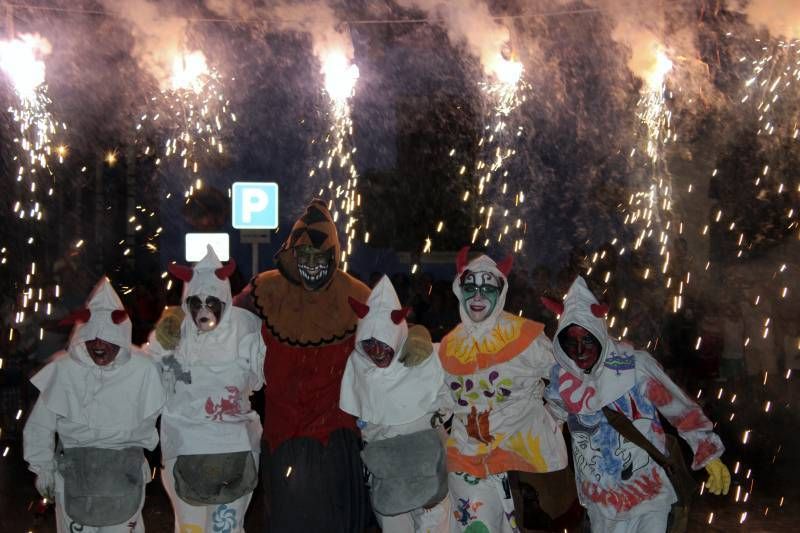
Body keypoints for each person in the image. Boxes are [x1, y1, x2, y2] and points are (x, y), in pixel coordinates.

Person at [231, 199, 433, 532]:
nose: (312, 265)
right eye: (305, 256)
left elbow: (391, 330)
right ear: (293, 256)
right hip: (282, 440)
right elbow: (219, 323)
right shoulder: (263, 292)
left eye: (320, 257)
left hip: (336, 440)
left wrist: (417, 338)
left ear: (334, 257)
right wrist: (180, 321)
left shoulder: (356, 295)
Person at [542, 277, 731, 533]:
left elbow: (679, 409)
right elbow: (547, 422)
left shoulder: (635, 366)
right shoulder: (561, 379)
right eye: (570, 341)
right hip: (602, 505)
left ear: (599, 332)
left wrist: (707, 451)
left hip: (648, 495)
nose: (579, 349)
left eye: (587, 339)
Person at [439, 247, 568, 532]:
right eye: (470, 287)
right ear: (459, 290)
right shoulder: (450, 344)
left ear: (501, 290)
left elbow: (565, 374)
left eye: (487, 288)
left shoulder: (525, 336)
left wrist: (554, 414)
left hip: (514, 460)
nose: (477, 296)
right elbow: (442, 398)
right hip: (466, 461)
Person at [23, 277, 165, 533]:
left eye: (106, 338)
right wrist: (42, 466)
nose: (98, 344)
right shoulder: (64, 369)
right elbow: (40, 425)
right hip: (74, 475)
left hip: (125, 475)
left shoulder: (143, 369)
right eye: (93, 338)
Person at [148, 246, 265, 533]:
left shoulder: (246, 328)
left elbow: (262, 377)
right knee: (191, 529)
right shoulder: (174, 329)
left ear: (224, 298)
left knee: (226, 528)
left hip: (234, 448)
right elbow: (149, 375)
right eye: (196, 302)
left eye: (212, 302)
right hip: (184, 449)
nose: (204, 310)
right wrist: (158, 343)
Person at [340, 276, 451, 533]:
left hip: (429, 471)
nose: (376, 351)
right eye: (369, 343)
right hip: (388, 477)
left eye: (384, 343)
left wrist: (419, 333)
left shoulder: (425, 357)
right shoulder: (358, 367)